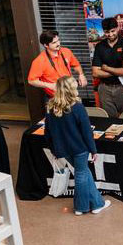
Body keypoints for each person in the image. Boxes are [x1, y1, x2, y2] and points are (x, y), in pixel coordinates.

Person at [43, 76, 111, 216]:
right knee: (81, 174)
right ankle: (80, 207)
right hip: (79, 148)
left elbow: (47, 133)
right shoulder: (77, 107)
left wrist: (54, 149)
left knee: (84, 172)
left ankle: (97, 204)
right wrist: (93, 149)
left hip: (63, 150)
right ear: (70, 89)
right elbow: (86, 132)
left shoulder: (51, 108)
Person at [91, 17, 123, 118]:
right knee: (108, 119)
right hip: (104, 88)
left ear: (117, 28)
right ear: (103, 31)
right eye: (107, 32)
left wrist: (106, 68)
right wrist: (117, 71)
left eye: (113, 31)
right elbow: (95, 73)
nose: (111, 35)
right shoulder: (99, 46)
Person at [28, 30, 86, 97]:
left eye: (58, 40)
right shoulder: (39, 61)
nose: (58, 44)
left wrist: (81, 75)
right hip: (55, 96)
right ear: (46, 45)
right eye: (54, 42)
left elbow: (76, 65)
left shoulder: (66, 51)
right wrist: (50, 85)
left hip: (71, 92)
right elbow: (31, 81)